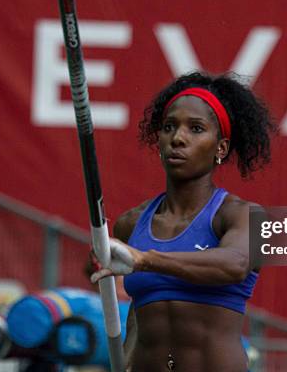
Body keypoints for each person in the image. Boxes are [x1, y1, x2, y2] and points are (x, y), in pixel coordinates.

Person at [90, 71, 275, 371]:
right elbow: (140, 312)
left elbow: (236, 264)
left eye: (196, 128)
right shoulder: (130, 223)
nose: (178, 138)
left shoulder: (242, 214)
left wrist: (145, 260)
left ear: (220, 148)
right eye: (169, 127)